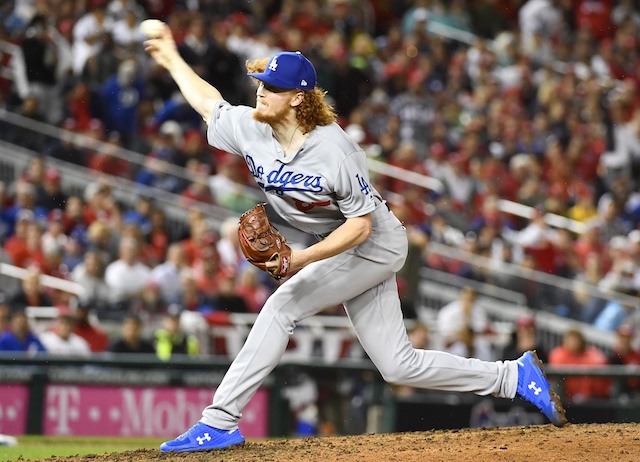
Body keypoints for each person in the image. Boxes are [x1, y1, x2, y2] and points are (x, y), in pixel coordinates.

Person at [144, 25, 566, 453]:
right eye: (261, 83)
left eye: (273, 87)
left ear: (298, 97)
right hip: (344, 244)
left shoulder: (335, 149)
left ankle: (219, 421)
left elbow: (361, 226)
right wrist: (172, 58)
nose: (261, 91)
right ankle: (513, 377)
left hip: (374, 242)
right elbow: (207, 103)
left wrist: (303, 258)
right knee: (398, 365)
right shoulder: (252, 128)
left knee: (281, 306)